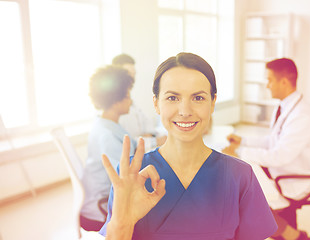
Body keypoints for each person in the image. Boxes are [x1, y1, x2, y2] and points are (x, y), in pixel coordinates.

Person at [99, 52, 277, 239]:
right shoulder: (131, 176)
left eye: (198, 98)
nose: (185, 111)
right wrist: (123, 223)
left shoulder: (240, 177)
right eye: (172, 98)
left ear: (212, 102)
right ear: (156, 103)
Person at [223, 58, 310, 240]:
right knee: (243, 186)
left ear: (284, 82)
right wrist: (243, 141)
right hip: (285, 168)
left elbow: (279, 156)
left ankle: (292, 235)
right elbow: (273, 140)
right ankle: (292, 235)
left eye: (269, 80)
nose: (267, 85)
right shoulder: (284, 106)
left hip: (297, 176)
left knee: (247, 197)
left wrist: (238, 152)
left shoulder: (302, 116)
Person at [80, 65, 137, 231]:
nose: (131, 101)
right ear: (115, 99)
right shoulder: (107, 135)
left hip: (101, 201)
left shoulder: (105, 124)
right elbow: (125, 178)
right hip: (100, 210)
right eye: (127, 96)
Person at [112, 53, 167, 151]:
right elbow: (125, 143)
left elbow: (148, 127)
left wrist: (149, 136)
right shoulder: (114, 107)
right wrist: (154, 141)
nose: (132, 79)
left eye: (134, 74)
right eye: (128, 74)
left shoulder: (132, 102)